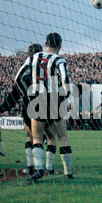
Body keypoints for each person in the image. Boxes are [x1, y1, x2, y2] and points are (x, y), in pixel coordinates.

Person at [0, 44, 59, 176]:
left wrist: (0, 110)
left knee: (31, 137)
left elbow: (15, 94)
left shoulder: (26, 70)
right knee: (51, 137)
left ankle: (31, 167)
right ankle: (49, 168)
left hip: (30, 107)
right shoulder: (46, 69)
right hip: (49, 105)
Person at [21, 33, 73, 182]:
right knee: (62, 137)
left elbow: (19, 77)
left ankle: (38, 170)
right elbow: (65, 79)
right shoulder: (59, 60)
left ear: (45, 43)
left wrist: (29, 93)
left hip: (37, 99)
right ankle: (68, 172)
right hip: (54, 100)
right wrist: (65, 97)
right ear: (60, 45)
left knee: (36, 137)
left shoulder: (32, 58)